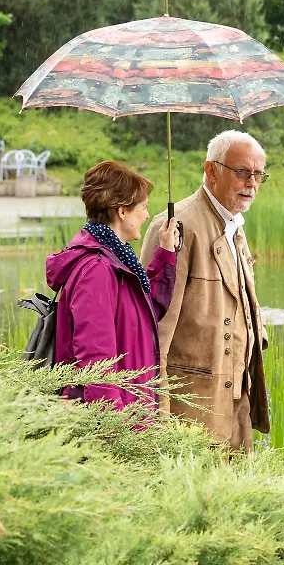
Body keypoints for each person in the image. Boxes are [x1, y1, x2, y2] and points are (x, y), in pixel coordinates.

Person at [141, 130, 270, 452]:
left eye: (258, 174)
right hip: (193, 401)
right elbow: (153, 326)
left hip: (235, 395)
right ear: (211, 171)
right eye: (242, 172)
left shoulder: (233, 225)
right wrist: (155, 409)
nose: (251, 183)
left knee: (234, 496)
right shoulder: (175, 226)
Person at [46, 160, 180, 409]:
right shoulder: (96, 271)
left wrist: (165, 252)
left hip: (133, 412)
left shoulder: (118, 260)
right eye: (143, 207)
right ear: (122, 211)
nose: (147, 215)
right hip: (116, 424)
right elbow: (96, 361)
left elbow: (146, 310)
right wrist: (113, 430)